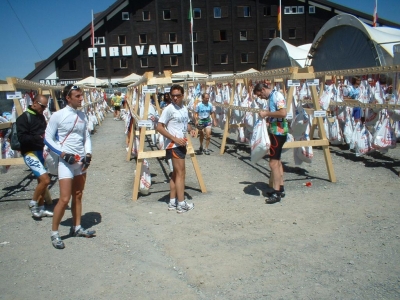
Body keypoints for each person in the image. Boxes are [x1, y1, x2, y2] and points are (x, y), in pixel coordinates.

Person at [44, 84, 94, 249]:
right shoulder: (58, 115)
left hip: (80, 161)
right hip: (66, 162)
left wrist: (88, 153)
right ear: (68, 98)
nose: (81, 99)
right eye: (77, 96)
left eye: (81, 95)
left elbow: (86, 136)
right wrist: (63, 154)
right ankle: (54, 233)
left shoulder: (82, 114)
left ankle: (77, 227)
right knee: (64, 199)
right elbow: (48, 139)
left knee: (78, 195)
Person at [156, 84, 196, 213]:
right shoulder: (169, 109)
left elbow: (185, 124)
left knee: (175, 174)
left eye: (177, 95)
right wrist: (174, 138)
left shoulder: (183, 108)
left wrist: (192, 130)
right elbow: (159, 127)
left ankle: (173, 202)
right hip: (174, 145)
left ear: (182, 96)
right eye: (172, 95)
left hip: (181, 143)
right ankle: (181, 203)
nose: (174, 98)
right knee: (181, 174)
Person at [16, 95, 53, 218]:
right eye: (42, 106)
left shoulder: (41, 116)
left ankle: (41, 208)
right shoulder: (23, 118)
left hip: (41, 152)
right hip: (30, 153)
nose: (43, 108)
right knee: (46, 179)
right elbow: (22, 138)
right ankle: (33, 203)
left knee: (42, 181)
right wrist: (38, 138)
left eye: (45, 106)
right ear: (34, 103)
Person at [253, 83, 288, 204]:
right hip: (275, 130)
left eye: (260, 94)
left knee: (273, 163)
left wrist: (267, 114)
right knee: (277, 161)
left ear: (263, 89)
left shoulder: (277, 96)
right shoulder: (272, 97)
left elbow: (283, 113)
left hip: (279, 131)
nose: (261, 97)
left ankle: (276, 191)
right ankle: (281, 188)